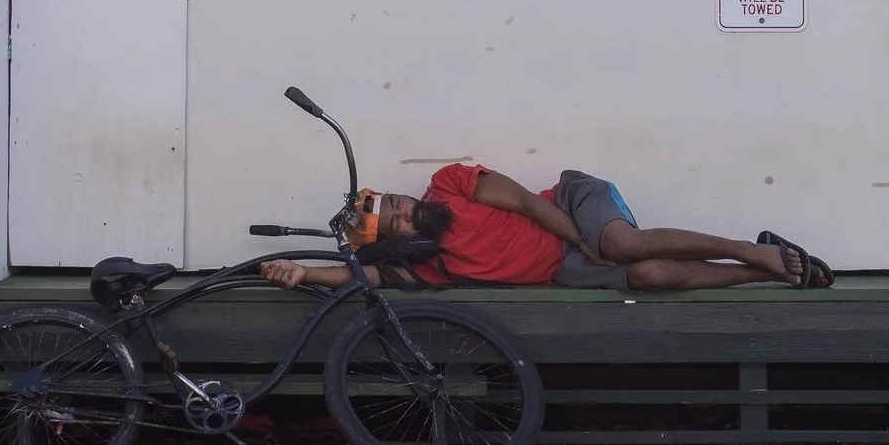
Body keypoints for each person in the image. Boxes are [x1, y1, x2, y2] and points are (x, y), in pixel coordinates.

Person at [257, 162, 833, 292]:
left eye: (402, 203)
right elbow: (368, 282)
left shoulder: (450, 184)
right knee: (651, 275)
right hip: (564, 268)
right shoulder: (429, 263)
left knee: (623, 243)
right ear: (398, 240)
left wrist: (584, 238)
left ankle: (753, 250)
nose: (410, 211)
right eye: (401, 221)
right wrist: (303, 271)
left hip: (571, 209)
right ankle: (758, 273)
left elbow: (529, 205)